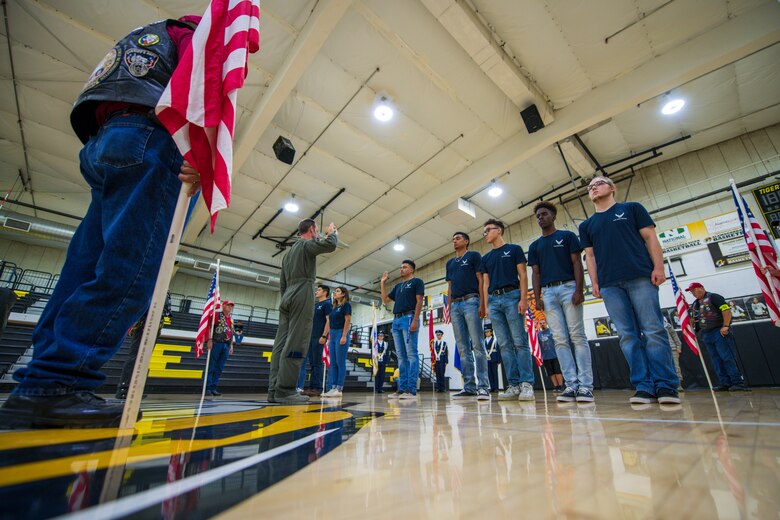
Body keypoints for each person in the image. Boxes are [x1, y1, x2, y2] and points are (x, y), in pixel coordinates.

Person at [0, 16, 203, 429]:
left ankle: (41, 382)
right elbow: (199, 94)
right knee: (130, 270)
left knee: (84, 268)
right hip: (151, 138)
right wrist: (202, 152)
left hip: (105, 138)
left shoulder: (154, 32)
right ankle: (63, 381)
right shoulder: (201, 36)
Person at [579, 176, 680, 405]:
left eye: (599, 183)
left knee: (653, 330)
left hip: (640, 277)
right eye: (590, 187)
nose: (594, 187)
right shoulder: (586, 226)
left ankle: (666, 386)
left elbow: (650, 238)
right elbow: (591, 256)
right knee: (627, 336)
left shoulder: (632, 208)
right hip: (609, 285)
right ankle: (643, 386)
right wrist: (594, 283)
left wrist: (659, 267)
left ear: (612, 188)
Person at [528, 200, 594, 403]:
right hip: (548, 293)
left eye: (544, 214)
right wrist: (537, 297)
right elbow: (535, 273)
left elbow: (576, 262)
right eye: (538, 216)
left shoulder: (567, 236)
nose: (541, 218)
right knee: (559, 339)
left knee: (577, 335)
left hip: (568, 288)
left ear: (553, 216)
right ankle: (571, 385)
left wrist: (579, 289)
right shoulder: (535, 246)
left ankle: (585, 386)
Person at [268, 220, 338, 404]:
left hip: (287, 295)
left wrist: (287, 298)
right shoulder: (307, 245)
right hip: (302, 291)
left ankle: (273, 390)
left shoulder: (288, 254)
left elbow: (282, 282)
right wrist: (333, 232)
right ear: (312, 230)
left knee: (280, 344)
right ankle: (286, 391)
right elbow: (330, 245)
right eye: (316, 231)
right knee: (297, 341)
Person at [478, 219, 535, 401]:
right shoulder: (485, 258)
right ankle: (513, 384)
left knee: (519, 342)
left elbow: (523, 275)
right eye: (484, 231)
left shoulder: (514, 249)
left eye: (488, 230)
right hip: (494, 301)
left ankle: (527, 384)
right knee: (504, 344)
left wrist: (524, 298)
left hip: (512, 296)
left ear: (499, 230)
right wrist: (486, 306)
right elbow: (486, 283)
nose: (485, 234)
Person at [446, 231, 490, 400]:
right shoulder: (450, 263)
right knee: (463, 348)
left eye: (457, 238)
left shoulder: (473, 256)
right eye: (453, 239)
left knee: (478, 345)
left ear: (466, 241)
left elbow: (480, 280)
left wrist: (482, 303)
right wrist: (449, 307)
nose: (454, 241)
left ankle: (483, 386)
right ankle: (469, 386)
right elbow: (450, 287)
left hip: (471, 301)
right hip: (455, 305)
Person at [687, 282, 748, 391]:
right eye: (691, 292)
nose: (693, 293)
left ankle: (738, 382)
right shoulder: (695, 304)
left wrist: (725, 326)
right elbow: (695, 319)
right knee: (716, 359)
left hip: (719, 331)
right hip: (705, 333)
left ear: (701, 288)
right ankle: (725, 383)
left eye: (694, 290)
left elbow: (726, 311)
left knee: (727, 357)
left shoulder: (714, 297)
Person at [381, 260, 424, 400]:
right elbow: (386, 300)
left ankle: (411, 389)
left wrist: (416, 320)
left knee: (411, 354)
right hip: (396, 320)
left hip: (409, 317)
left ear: (411, 270)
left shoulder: (417, 282)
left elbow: (419, 301)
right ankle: (402, 388)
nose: (401, 269)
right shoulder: (398, 285)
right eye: (400, 267)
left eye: (404, 267)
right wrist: (383, 283)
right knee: (401, 356)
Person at [116, 292, 172, 399]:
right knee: (136, 356)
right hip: (144, 323)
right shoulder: (154, 285)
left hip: (156, 324)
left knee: (144, 358)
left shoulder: (164, 288)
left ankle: (136, 387)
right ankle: (124, 387)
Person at [297, 284, 332, 396]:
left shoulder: (327, 304)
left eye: (319, 290)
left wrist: (324, 335)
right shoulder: (316, 305)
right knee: (312, 363)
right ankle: (312, 387)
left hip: (319, 337)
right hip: (310, 337)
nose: (316, 291)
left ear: (325, 292)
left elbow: (329, 320)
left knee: (317, 363)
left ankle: (317, 388)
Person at [322, 287, 352, 398]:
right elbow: (329, 322)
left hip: (341, 333)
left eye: (338, 291)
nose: (335, 293)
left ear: (344, 294)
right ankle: (333, 387)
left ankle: (339, 388)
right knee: (333, 362)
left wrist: (344, 335)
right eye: (335, 291)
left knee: (340, 362)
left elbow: (348, 320)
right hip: (333, 334)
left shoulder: (346, 305)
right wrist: (328, 336)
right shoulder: (334, 308)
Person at [205, 301, 235, 396]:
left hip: (226, 344)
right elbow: (209, 327)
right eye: (228, 305)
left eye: (231, 306)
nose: (230, 307)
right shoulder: (216, 315)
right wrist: (209, 339)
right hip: (216, 343)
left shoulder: (231, 319)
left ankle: (214, 387)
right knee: (211, 366)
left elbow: (231, 332)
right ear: (223, 306)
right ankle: (207, 388)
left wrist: (231, 345)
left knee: (219, 368)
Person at [537, 320, 564, 393]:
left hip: (554, 355)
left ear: (546, 324)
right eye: (541, 323)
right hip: (545, 357)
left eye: (544, 323)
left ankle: (561, 386)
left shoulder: (551, 332)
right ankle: (556, 386)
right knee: (551, 373)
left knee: (557, 371)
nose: (542, 324)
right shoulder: (538, 334)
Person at [663, 316, 684, 391]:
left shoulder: (667, 325)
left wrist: (678, 346)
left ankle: (678, 385)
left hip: (672, 348)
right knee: (664, 367)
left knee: (675, 367)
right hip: (660, 350)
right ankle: (667, 385)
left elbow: (674, 335)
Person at [484, 327, 502, 392]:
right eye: (486, 332)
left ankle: (496, 387)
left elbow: (497, 350)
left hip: (494, 357)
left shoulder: (494, 340)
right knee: (489, 374)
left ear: (491, 332)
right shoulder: (484, 341)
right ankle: (492, 387)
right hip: (487, 359)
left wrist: (498, 360)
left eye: (488, 332)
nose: (487, 333)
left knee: (495, 373)